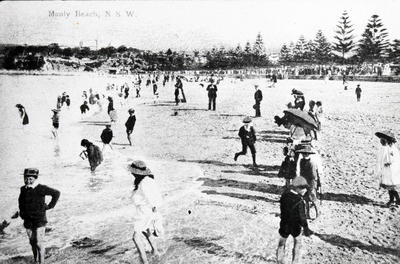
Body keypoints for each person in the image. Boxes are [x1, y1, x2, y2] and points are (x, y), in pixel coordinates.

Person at [12, 168, 60, 264]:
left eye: (30, 179)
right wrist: (19, 213)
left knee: (39, 242)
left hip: (39, 219)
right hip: (27, 219)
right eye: (26, 178)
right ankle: (35, 260)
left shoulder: (41, 188)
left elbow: (56, 193)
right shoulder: (23, 189)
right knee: (32, 242)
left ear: (35, 178)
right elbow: (21, 202)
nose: (28, 181)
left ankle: (41, 262)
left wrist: (50, 206)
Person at [128, 160, 163, 264]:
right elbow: (157, 196)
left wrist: (154, 209)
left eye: (132, 171)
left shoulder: (144, 183)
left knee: (135, 237)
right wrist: (154, 210)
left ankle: (144, 261)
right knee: (146, 230)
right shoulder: (147, 180)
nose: (131, 173)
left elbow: (151, 198)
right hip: (146, 211)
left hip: (144, 211)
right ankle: (155, 251)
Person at [276, 176, 313, 264]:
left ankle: (280, 260)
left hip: (284, 223)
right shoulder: (300, 201)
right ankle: (295, 261)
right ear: (297, 188)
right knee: (297, 242)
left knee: (281, 242)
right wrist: (306, 228)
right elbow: (302, 217)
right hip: (295, 226)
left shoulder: (284, 195)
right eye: (303, 188)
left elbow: (283, 209)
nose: (305, 190)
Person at [375, 131, 400, 207]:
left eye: (383, 139)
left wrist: (389, 163)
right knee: (389, 187)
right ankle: (393, 200)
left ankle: (395, 200)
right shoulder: (385, 148)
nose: (381, 141)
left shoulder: (392, 149)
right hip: (387, 170)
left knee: (391, 186)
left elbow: (395, 159)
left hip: (391, 170)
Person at [296, 145, 320, 218]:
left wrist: (311, 185)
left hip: (311, 182)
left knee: (312, 198)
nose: (304, 155)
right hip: (304, 181)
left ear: (308, 154)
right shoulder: (301, 161)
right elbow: (301, 173)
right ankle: (308, 214)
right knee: (305, 199)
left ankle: (317, 213)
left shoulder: (311, 163)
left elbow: (313, 175)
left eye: (305, 153)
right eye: (303, 153)